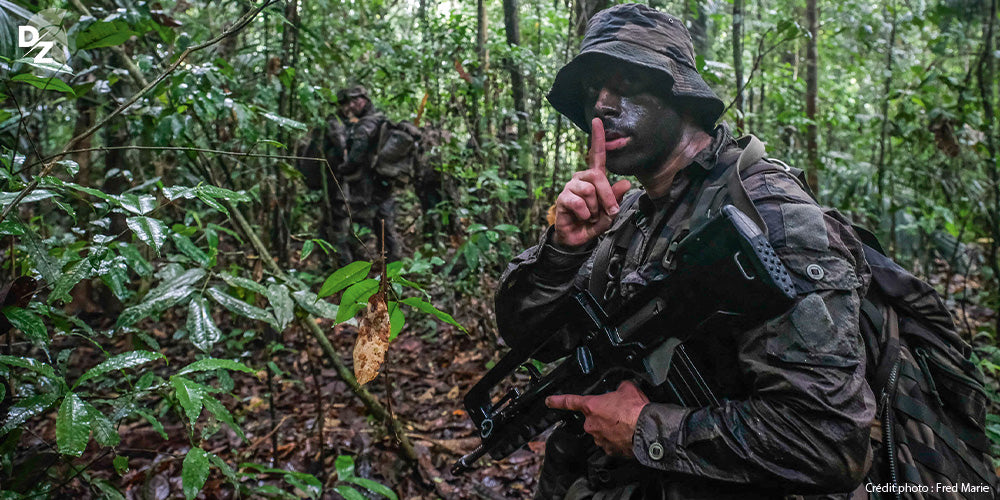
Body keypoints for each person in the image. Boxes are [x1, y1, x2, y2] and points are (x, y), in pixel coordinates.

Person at [494, 4, 876, 499]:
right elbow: (535, 341)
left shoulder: (767, 216)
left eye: (627, 83)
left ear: (684, 100)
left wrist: (648, 431)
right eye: (593, 91)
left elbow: (830, 442)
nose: (602, 106)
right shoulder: (629, 213)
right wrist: (562, 253)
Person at [333, 85, 401, 261]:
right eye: (350, 102)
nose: (352, 106)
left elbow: (356, 155)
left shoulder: (366, 125)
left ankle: (361, 266)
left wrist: (342, 170)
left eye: (356, 101)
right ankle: (393, 264)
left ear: (365, 100)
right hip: (382, 183)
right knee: (385, 224)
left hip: (367, 186)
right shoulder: (379, 119)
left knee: (360, 228)